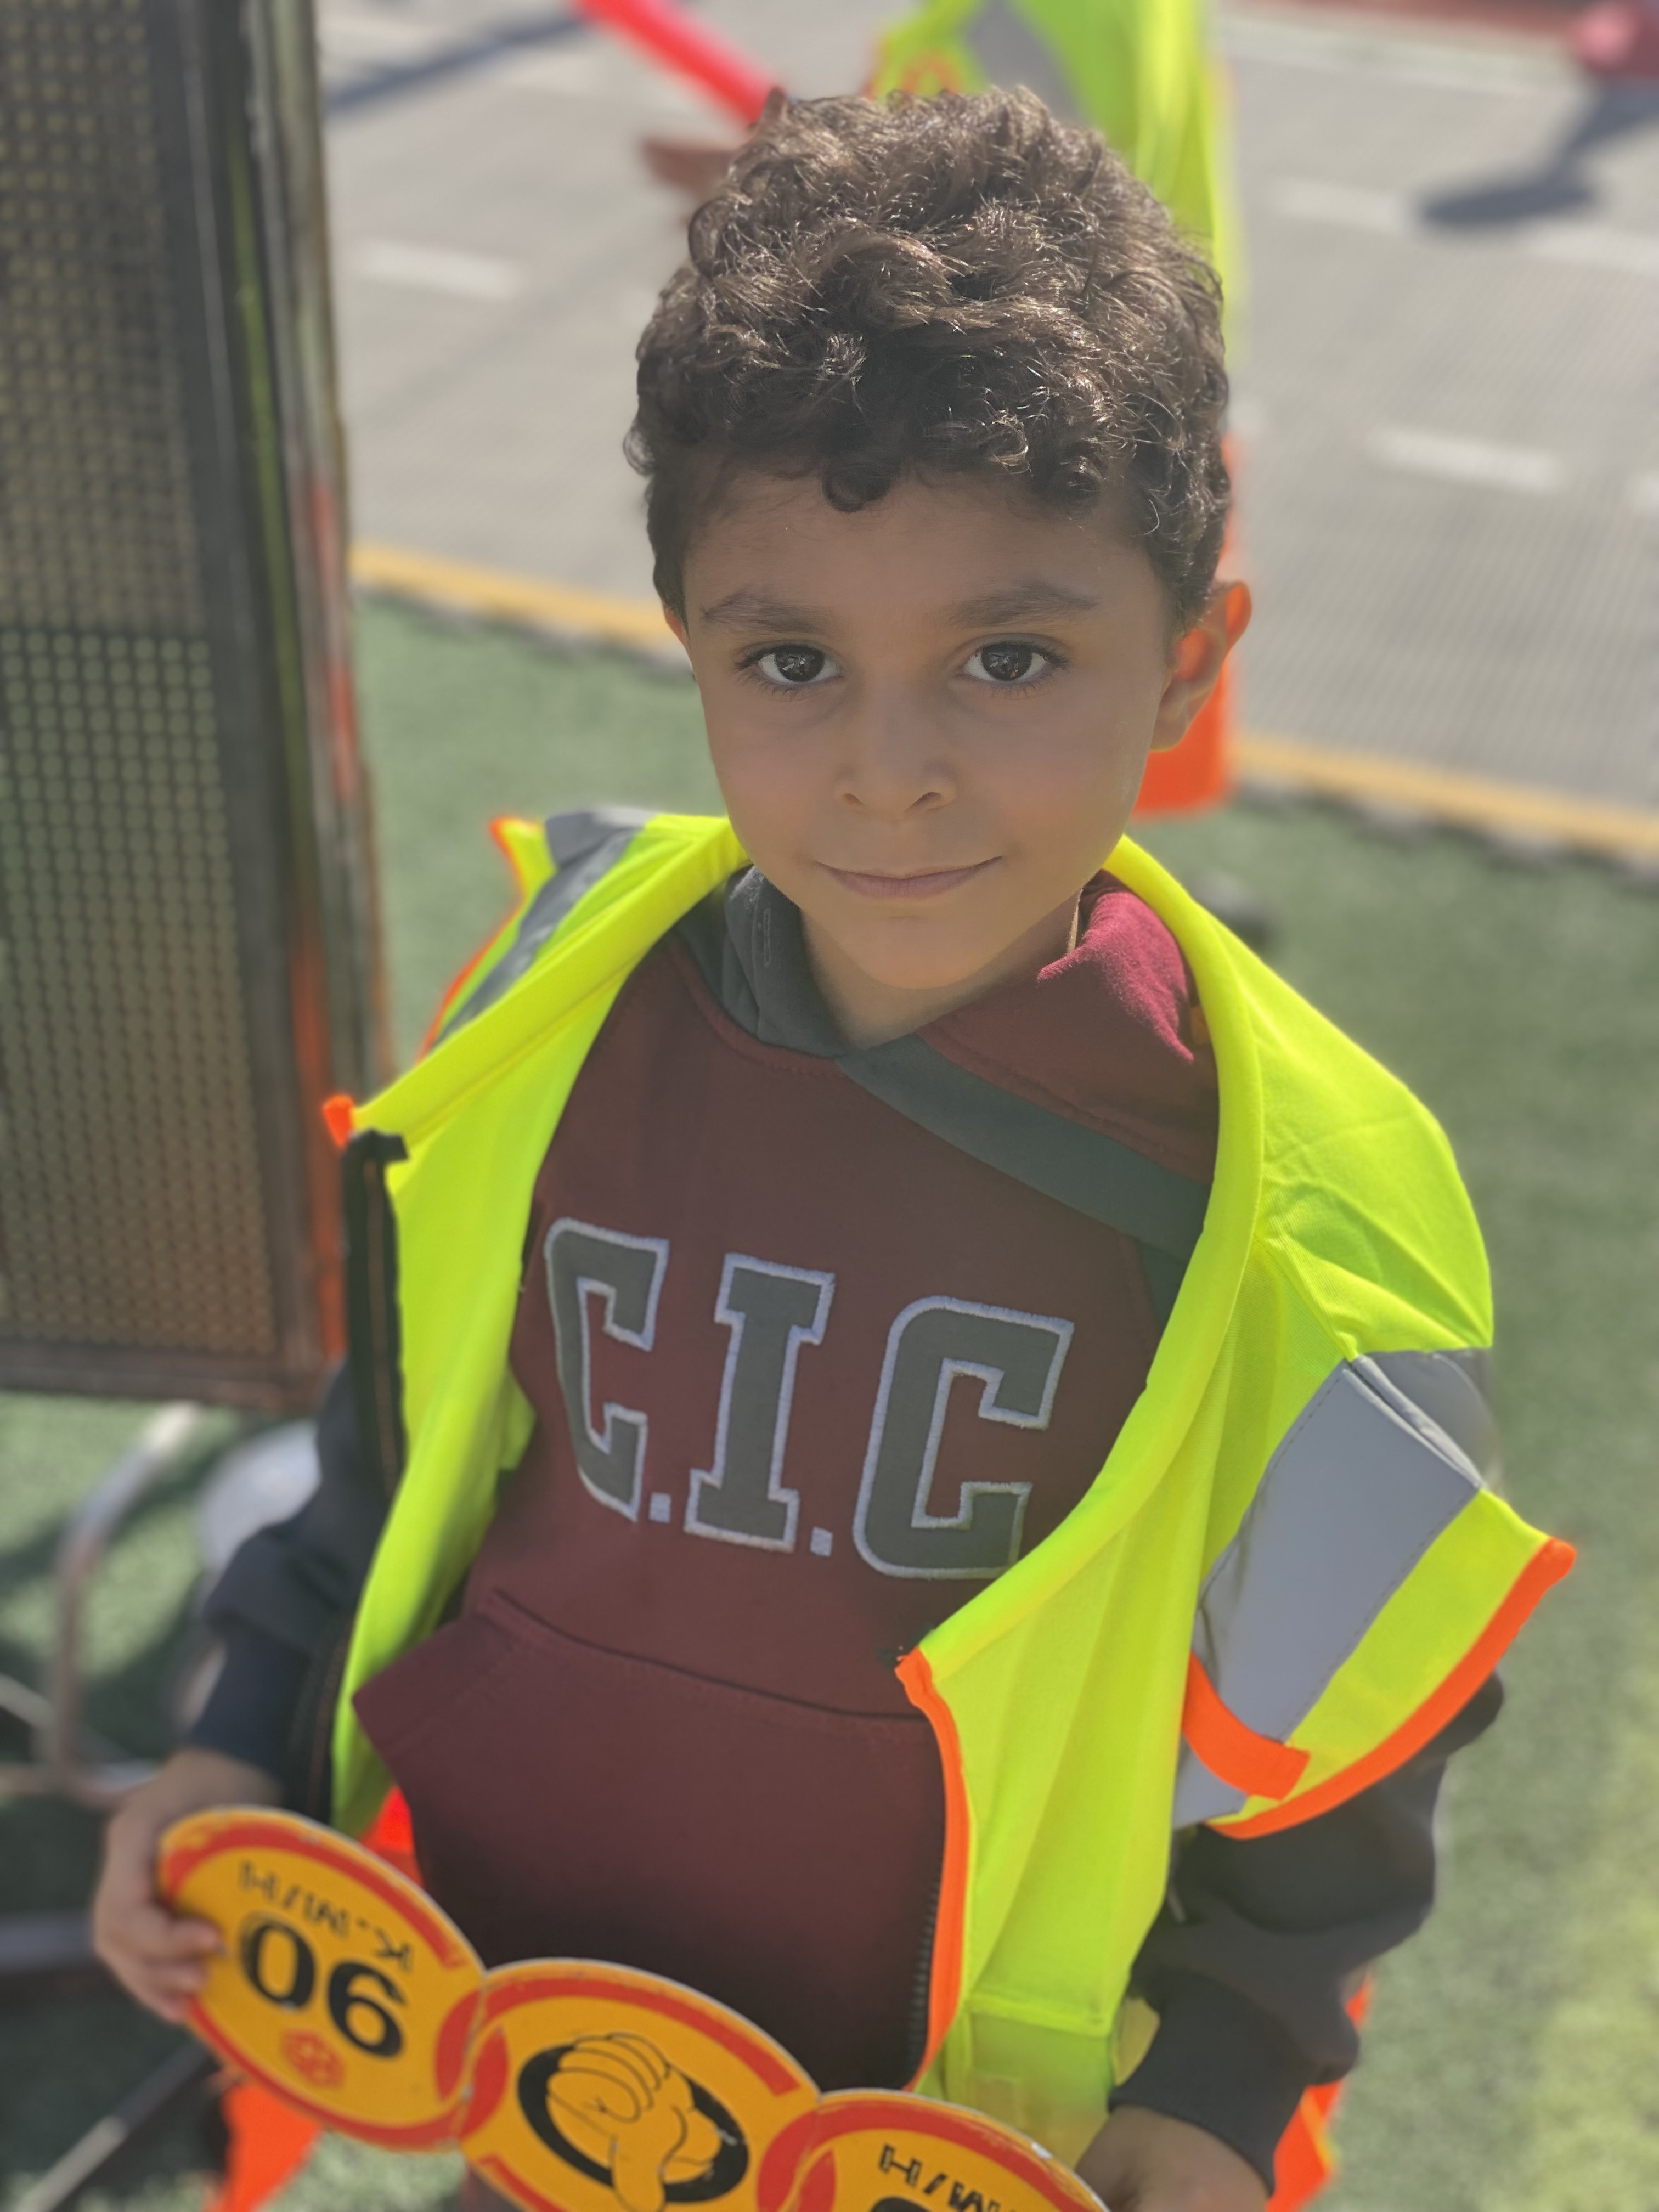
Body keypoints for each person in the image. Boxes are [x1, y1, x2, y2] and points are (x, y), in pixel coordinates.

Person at [93, 91, 1570, 2212]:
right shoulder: (559, 1001)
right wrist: (239, 1735)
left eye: (1008, 659)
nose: (889, 772)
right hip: (534, 2052)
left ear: (1188, 661)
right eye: (792, 660)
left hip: (943, 2136)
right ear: (689, 639)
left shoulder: (1291, 1212)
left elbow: (1355, 1709)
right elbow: (401, 1454)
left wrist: (1228, 2080)